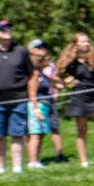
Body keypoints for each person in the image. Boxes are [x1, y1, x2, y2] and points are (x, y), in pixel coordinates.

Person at [56, 32, 94, 167]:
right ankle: (84, 162)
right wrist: (66, 83)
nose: (87, 44)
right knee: (82, 131)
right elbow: (56, 75)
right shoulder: (70, 61)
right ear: (75, 44)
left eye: (87, 41)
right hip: (79, 97)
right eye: (83, 42)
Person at [0, 20, 33, 174]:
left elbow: (30, 73)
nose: (8, 31)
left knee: (17, 133)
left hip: (18, 99)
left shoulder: (21, 51)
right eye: (4, 29)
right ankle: (0, 168)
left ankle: (17, 167)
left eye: (10, 28)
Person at [26, 39, 68, 168]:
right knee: (35, 135)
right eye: (46, 59)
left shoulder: (43, 74)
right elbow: (32, 92)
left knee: (41, 135)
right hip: (37, 106)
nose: (49, 61)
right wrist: (36, 109)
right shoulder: (35, 74)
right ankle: (32, 161)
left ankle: (36, 160)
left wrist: (67, 82)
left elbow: (57, 83)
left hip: (45, 105)